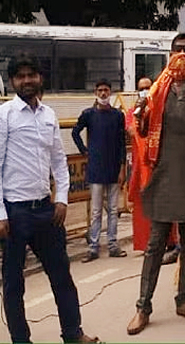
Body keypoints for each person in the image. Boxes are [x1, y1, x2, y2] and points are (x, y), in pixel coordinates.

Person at [126, 33, 185, 335]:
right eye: (177, 49)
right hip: (163, 175)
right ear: (170, 53)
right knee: (155, 244)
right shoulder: (157, 89)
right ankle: (143, 306)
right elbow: (140, 129)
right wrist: (140, 115)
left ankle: (184, 299)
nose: (181, 54)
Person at [0, 55, 100, 343]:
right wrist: (2, 215)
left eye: (32, 75)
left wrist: (62, 200)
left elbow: (59, 162)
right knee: (14, 284)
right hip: (15, 213)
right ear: (12, 82)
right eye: (21, 76)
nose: (27, 80)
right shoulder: (5, 115)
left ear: (40, 78)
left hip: (46, 210)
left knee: (62, 278)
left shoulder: (48, 115)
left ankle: (73, 334)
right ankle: (21, 340)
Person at [72, 78, 128, 262]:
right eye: (100, 90)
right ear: (95, 92)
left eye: (106, 90)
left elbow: (121, 143)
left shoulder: (117, 116)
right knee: (96, 211)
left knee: (113, 209)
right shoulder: (89, 114)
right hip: (96, 168)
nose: (103, 93)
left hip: (112, 167)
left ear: (110, 92)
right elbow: (75, 131)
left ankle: (113, 244)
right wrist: (84, 151)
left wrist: (122, 168)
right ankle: (93, 247)